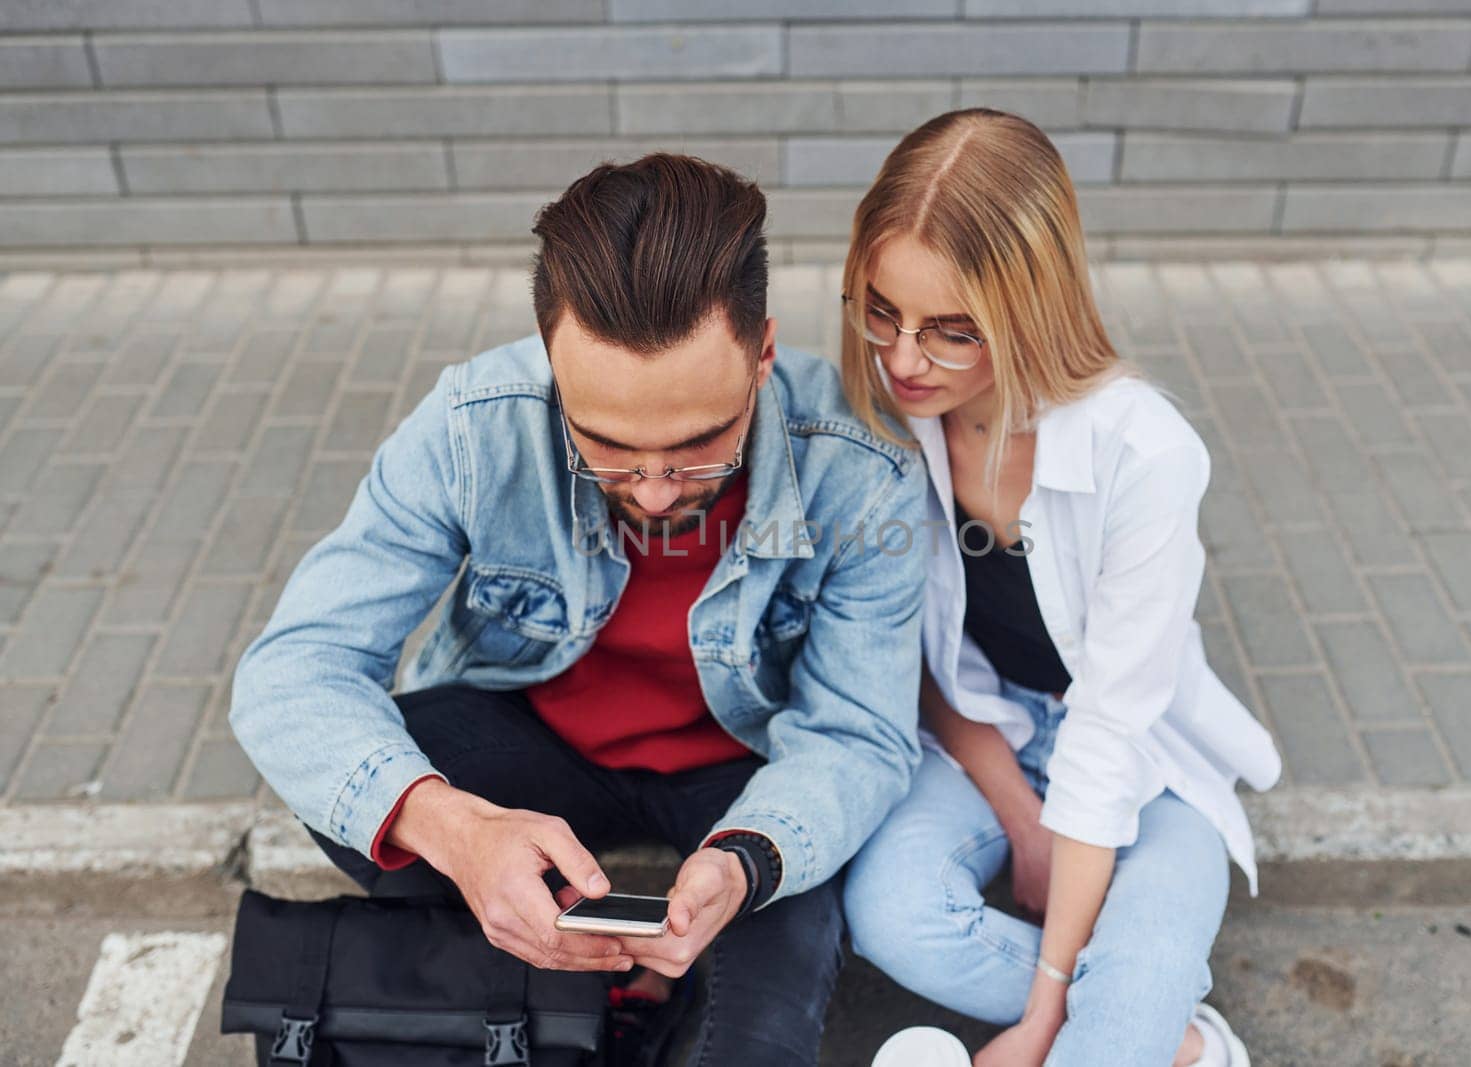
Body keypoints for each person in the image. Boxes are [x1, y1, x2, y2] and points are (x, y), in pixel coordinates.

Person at [228, 153, 928, 1066]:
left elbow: (860, 735)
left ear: (763, 354)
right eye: (605, 444)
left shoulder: (863, 468)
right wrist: (459, 830)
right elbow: (292, 671)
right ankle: (571, 977)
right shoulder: (476, 423)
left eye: (696, 447)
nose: (650, 489)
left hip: (745, 774)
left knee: (780, 984)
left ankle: (613, 976)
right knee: (358, 798)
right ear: (552, 357)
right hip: (536, 747)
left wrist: (750, 857)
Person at [837, 109, 1284, 1067]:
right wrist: (1016, 812)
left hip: (1146, 770)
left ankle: (1133, 1027)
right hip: (979, 737)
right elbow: (905, 655)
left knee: (1103, 1025)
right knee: (892, 912)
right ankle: (1174, 1040)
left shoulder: (1144, 452)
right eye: (882, 310)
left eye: (952, 331)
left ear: (1027, 308)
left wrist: (1044, 1010)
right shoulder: (883, 424)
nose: (904, 358)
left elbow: (1114, 729)